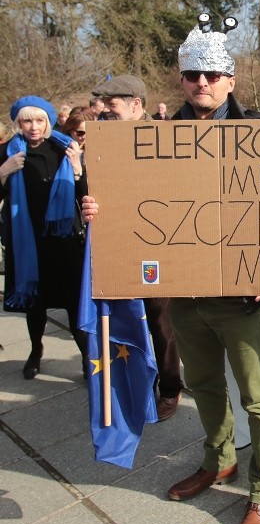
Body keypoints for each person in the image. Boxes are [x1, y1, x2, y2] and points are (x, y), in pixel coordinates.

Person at [82, 15, 260, 524]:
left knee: (258, 399)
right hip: (186, 294)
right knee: (205, 388)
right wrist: (98, 209)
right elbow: (133, 206)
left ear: (230, 81)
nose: (203, 83)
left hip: (241, 295)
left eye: (213, 74)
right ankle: (219, 464)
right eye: (194, 73)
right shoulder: (154, 139)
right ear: (180, 78)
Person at [90, 74, 184, 422]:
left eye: (111, 105)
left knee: (160, 319)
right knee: (128, 316)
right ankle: (137, 379)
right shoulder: (102, 140)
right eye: (102, 105)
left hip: (156, 246)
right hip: (118, 243)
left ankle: (171, 387)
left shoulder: (163, 139)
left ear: (135, 105)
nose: (105, 111)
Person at [0, 96, 87, 379]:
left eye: (39, 120)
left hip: (63, 241)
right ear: (18, 123)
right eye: (27, 121)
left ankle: (87, 357)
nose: (34, 127)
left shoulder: (65, 149)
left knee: (74, 301)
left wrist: (77, 171)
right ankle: (35, 349)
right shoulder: (9, 152)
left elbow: (86, 195)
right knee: (36, 302)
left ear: (48, 122)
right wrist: (3, 172)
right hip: (28, 241)